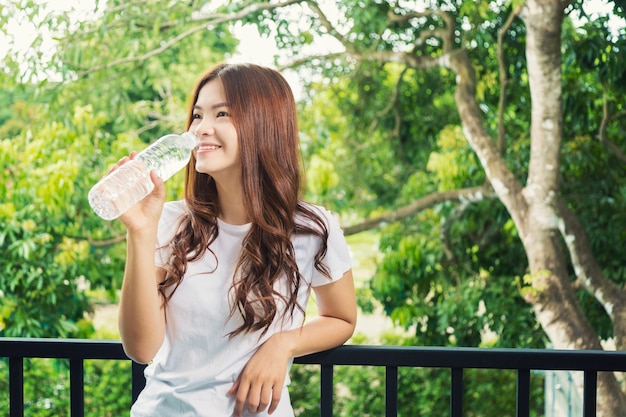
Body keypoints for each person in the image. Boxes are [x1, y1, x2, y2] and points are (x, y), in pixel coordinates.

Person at [114, 62, 357, 417]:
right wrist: (139, 232)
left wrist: (283, 343)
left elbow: (342, 319)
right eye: (197, 116)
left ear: (265, 124)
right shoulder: (167, 221)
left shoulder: (313, 228)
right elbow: (141, 348)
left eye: (222, 113)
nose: (200, 129)